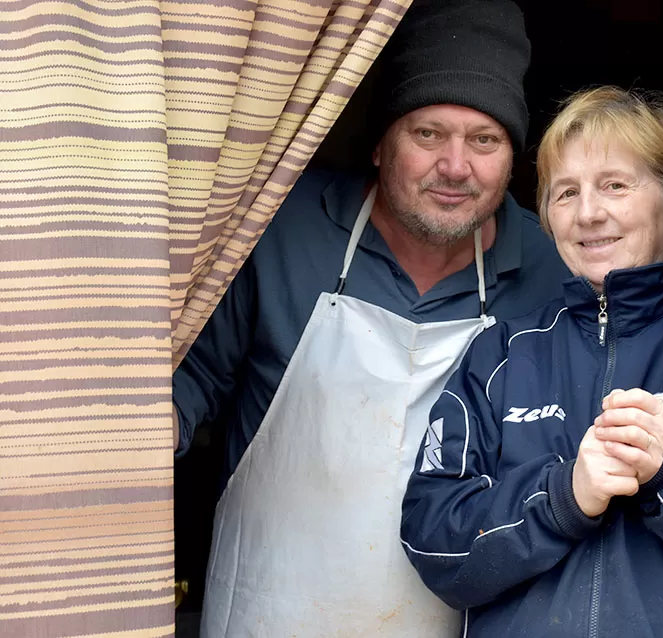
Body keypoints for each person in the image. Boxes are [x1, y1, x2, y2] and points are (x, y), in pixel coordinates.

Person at [171, 1, 571, 635]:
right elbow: (191, 379)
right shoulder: (277, 225)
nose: (456, 167)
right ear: (381, 144)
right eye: (428, 134)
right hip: (268, 612)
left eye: (484, 140)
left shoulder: (554, 273)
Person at [400, 86, 663, 637]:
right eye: (566, 193)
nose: (588, 214)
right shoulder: (502, 354)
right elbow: (431, 541)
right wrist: (564, 496)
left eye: (614, 185)